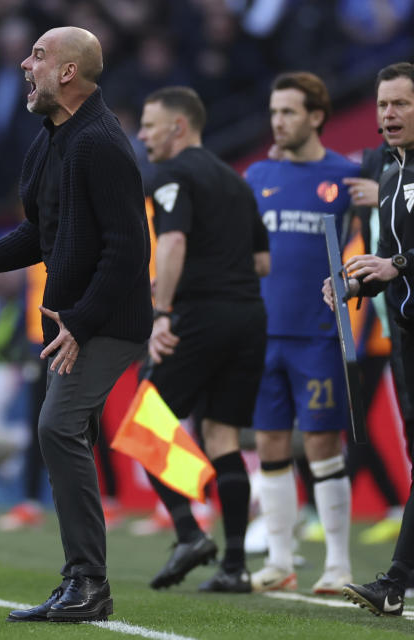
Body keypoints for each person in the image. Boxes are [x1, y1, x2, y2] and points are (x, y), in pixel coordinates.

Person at [0, 26, 152, 623]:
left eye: (38, 56)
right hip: (71, 322)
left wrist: (83, 319)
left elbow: (129, 248)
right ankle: (82, 581)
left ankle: (89, 583)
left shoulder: (101, 142)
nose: (24, 64)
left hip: (106, 320)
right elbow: (37, 236)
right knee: (69, 433)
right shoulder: (49, 142)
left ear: (68, 72)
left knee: (57, 427)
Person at [137, 86, 269, 593]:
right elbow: (262, 260)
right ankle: (234, 566)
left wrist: (165, 309)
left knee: (147, 425)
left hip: (199, 317)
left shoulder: (174, 174)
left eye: (150, 125)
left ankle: (190, 531)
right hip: (247, 316)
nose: (143, 134)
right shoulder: (236, 183)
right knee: (221, 437)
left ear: (179, 126)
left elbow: (171, 240)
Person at [244, 71, 359, 594]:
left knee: (320, 442)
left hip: (318, 335)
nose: (278, 121)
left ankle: (338, 565)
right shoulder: (256, 176)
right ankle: (281, 559)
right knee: (269, 441)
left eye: (288, 112)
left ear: (316, 116)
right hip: (264, 333)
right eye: (273, 112)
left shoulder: (346, 176)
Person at [324, 61, 414, 617]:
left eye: (400, 104)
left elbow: (398, 260)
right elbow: (390, 263)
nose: (388, 114)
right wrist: (355, 282)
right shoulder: (388, 175)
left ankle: (396, 582)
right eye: (382, 105)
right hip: (406, 333)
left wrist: (396, 263)